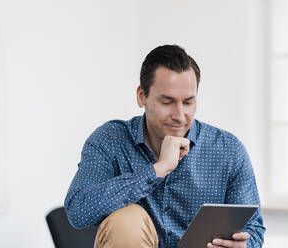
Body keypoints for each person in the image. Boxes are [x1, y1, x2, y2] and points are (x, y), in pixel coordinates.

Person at [64, 44, 265, 248]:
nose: (179, 115)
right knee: (127, 219)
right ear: (142, 96)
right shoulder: (111, 140)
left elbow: (255, 230)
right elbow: (78, 211)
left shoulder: (228, 150)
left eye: (188, 102)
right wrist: (157, 170)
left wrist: (243, 246)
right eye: (167, 102)